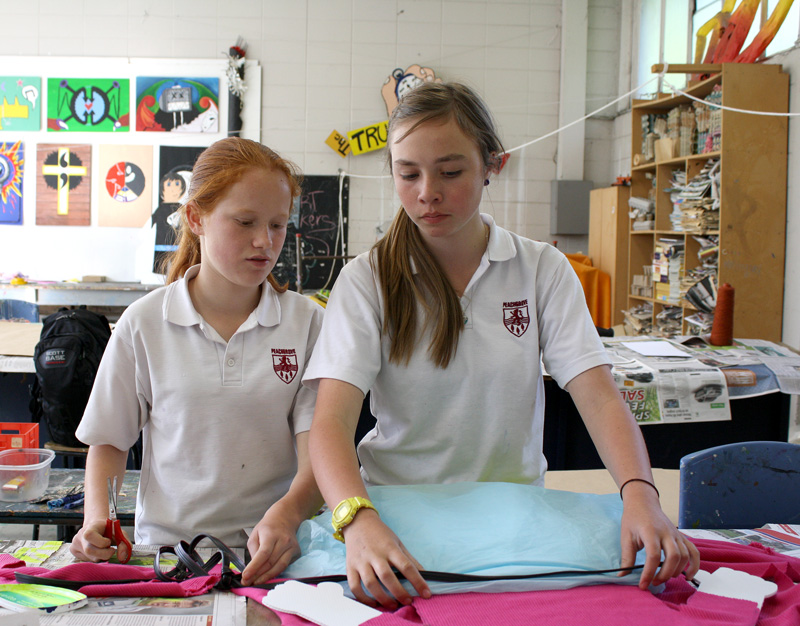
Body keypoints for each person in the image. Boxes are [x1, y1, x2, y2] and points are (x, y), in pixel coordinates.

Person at [304, 82, 700, 608]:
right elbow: (331, 421)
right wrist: (356, 519)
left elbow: (599, 396)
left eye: (451, 172)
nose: (428, 192)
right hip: (397, 515)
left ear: (492, 164)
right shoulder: (367, 279)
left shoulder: (540, 270)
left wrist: (641, 494)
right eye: (408, 174)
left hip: (516, 519)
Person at [70, 137, 324, 586]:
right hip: (170, 556)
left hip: (276, 556)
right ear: (195, 217)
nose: (264, 241)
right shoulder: (145, 322)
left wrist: (287, 516)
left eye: (278, 225)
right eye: (244, 222)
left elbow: (318, 453)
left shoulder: (307, 323)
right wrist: (97, 520)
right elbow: (108, 440)